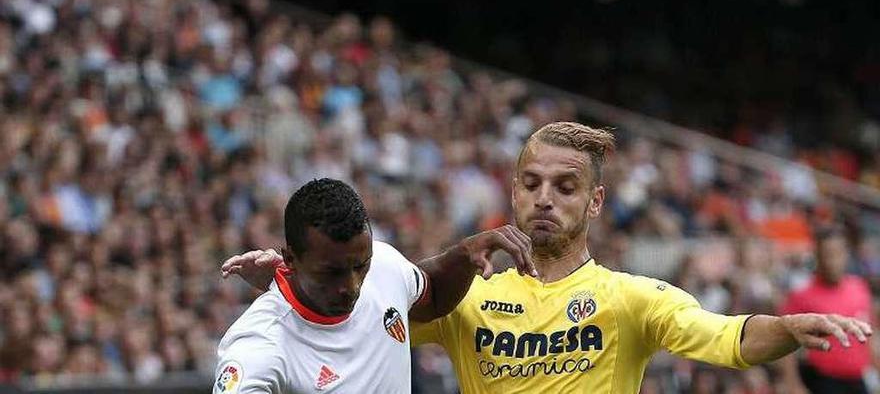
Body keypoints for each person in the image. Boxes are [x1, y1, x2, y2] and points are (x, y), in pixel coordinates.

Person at [225, 122, 873, 393]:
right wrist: (287, 286)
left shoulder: (632, 298)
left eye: (565, 187)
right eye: (531, 183)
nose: (543, 199)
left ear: (595, 203)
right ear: (512, 190)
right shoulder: (465, 299)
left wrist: (787, 329)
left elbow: (728, 337)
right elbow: (351, 322)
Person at [213, 177, 536, 394]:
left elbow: (433, 295)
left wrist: (465, 255)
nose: (351, 285)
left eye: (359, 266)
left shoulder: (384, 264)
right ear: (291, 258)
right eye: (332, 272)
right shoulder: (260, 343)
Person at [779, 230, 875, 394]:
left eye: (837, 253)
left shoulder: (859, 288)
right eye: (827, 254)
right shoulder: (802, 295)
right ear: (817, 256)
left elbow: (871, 334)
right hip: (824, 381)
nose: (832, 262)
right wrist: (794, 384)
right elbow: (783, 340)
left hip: (858, 379)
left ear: (846, 254)